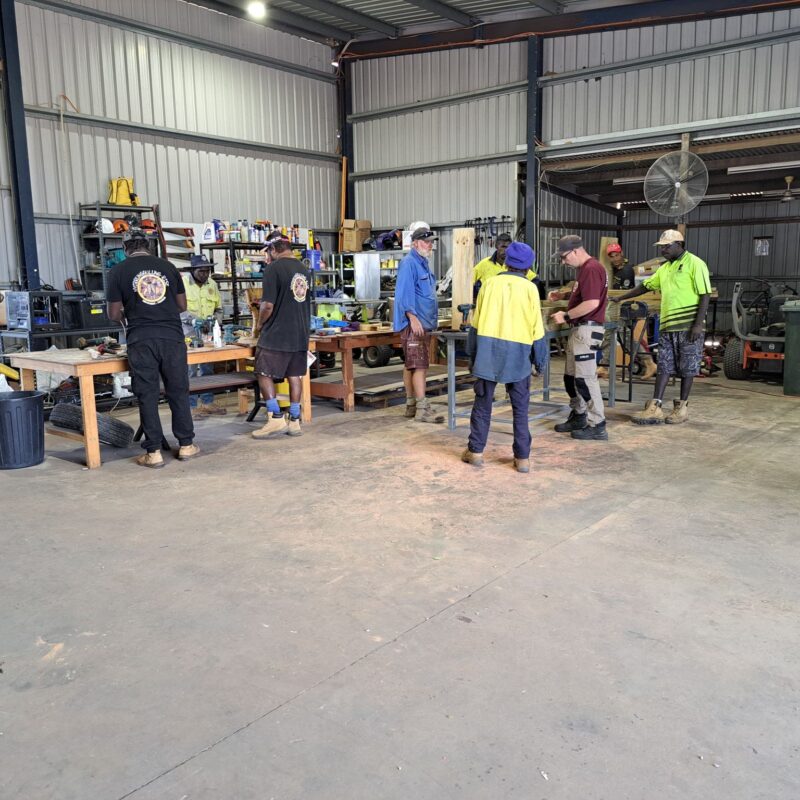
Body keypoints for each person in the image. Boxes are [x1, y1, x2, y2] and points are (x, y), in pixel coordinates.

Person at [106, 227, 198, 468]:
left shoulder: (117, 271)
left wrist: (132, 311)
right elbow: (181, 306)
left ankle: (154, 452)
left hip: (141, 339)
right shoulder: (168, 267)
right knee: (178, 390)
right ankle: (186, 445)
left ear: (125, 248)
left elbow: (113, 313)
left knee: (147, 395)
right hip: (172, 337)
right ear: (148, 246)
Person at [612, 230, 711, 425]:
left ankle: (681, 407)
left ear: (679, 245)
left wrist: (698, 324)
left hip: (688, 325)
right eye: (662, 247)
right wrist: (621, 297)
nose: (663, 250)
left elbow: (705, 294)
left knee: (688, 367)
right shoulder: (665, 268)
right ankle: (655, 406)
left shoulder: (695, 263)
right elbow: (646, 286)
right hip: (667, 325)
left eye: (667, 246)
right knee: (664, 365)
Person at [461, 242, 544, 474]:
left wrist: (473, 354)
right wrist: (540, 360)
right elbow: (537, 327)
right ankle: (522, 458)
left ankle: (475, 452)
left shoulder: (489, 283)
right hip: (518, 352)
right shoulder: (530, 289)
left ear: (506, 261)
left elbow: (475, 324)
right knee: (520, 407)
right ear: (528, 267)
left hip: (488, 349)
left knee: (483, 403)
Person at [549, 235, 609, 441]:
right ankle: (580, 415)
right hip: (579, 330)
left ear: (575, 251)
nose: (563, 262)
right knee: (571, 378)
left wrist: (565, 315)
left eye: (564, 257)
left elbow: (591, 303)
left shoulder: (592, 268)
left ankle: (597, 423)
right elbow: (584, 294)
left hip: (586, 329)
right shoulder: (583, 270)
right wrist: (564, 296)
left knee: (584, 380)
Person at [251, 236, 311, 440]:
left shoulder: (273, 269)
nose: (267, 256)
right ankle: (294, 420)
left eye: (267, 252)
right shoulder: (304, 269)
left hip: (277, 333)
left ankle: (276, 416)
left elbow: (267, 306)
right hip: (300, 332)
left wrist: (259, 326)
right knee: (294, 375)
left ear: (273, 249)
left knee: (263, 371)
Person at [393, 222, 444, 423]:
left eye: (431, 242)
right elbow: (403, 294)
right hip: (415, 324)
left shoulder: (422, 263)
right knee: (419, 366)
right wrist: (412, 318)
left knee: (411, 365)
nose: (430, 245)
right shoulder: (409, 263)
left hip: (422, 323)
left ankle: (411, 405)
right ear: (415, 244)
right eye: (426, 242)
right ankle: (422, 409)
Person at [181, 254, 225, 418]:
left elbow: (219, 309)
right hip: (188, 333)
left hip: (208, 333)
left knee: (208, 369)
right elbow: (179, 310)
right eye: (201, 271)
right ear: (193, 270)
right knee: (190, 370)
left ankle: (208, 402)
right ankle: (191, 406)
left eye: (207, 270)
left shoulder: (212, 284)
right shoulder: (182, 284)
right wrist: (196, 321)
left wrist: (214, 323)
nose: (205, 274)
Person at [472, 233, 537, 299]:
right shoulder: (484, 264)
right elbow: (469, 280)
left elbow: (534, 279)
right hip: (490, 301)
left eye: (508, 248)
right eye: (503, 247)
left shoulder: (514, 266)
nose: (506, 250)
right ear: (496, 246)